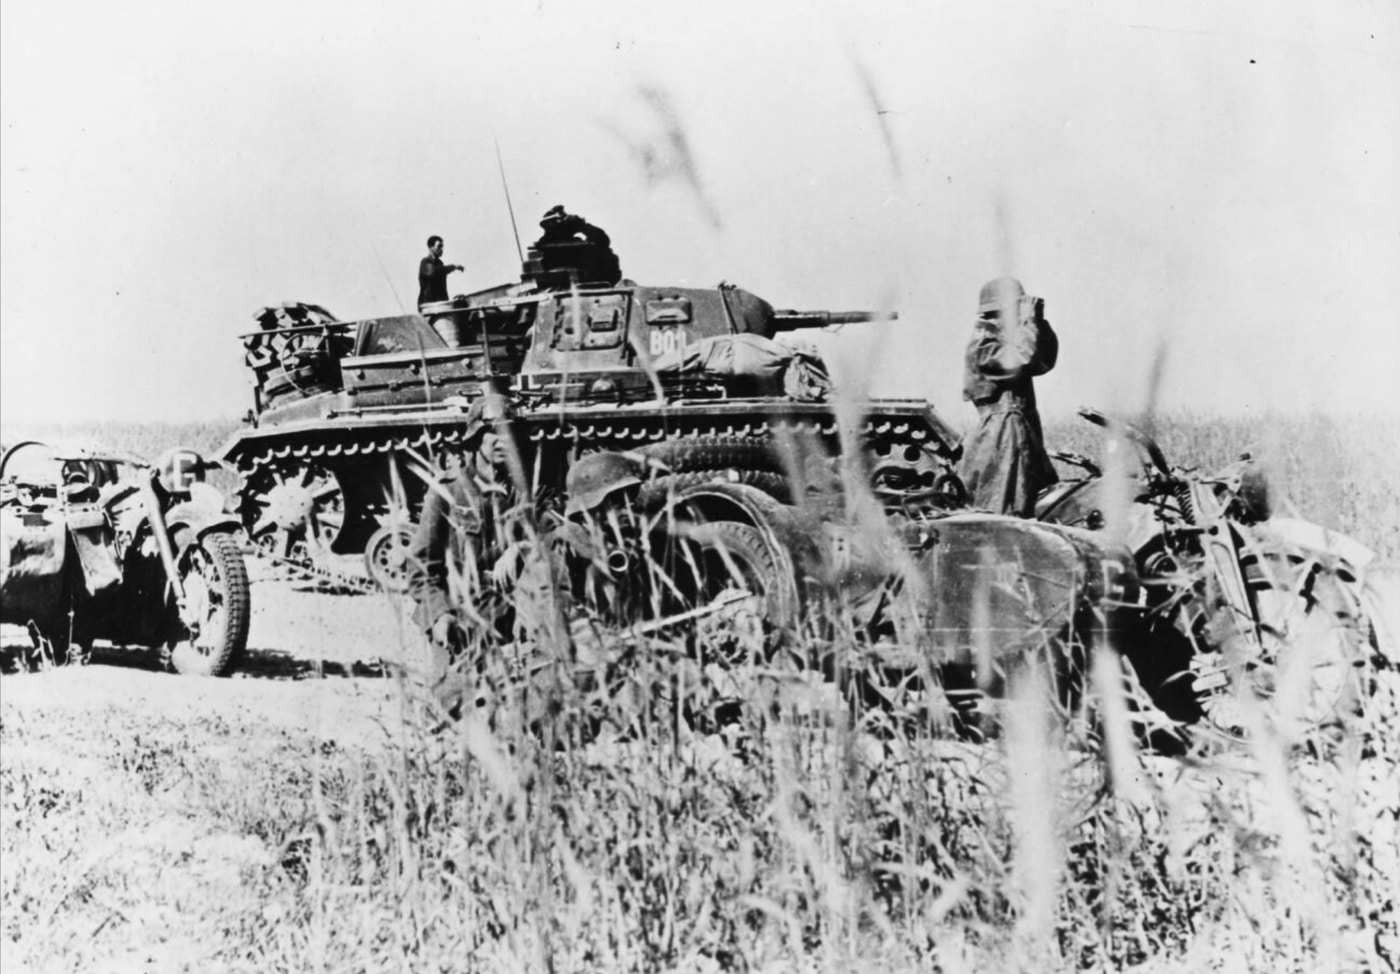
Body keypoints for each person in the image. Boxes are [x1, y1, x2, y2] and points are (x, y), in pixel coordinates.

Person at [958, 277, 1059, 517]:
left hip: (1018, 430)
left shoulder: (999, 344)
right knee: (1006, 509)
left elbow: (1044, 361)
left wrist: (1038, 322)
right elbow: (1025, 358)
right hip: (1004, 435)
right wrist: (1029, 321)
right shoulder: (983, 348)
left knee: (1043, 505)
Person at [417, 235, 464, 311]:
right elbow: (433, 272)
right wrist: (453, 267)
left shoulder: (440, 263)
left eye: (442, 247)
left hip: (441, 305)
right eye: (439, 246)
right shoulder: (425, 262)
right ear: (431, 248)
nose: (442, 249)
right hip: (429, 306)